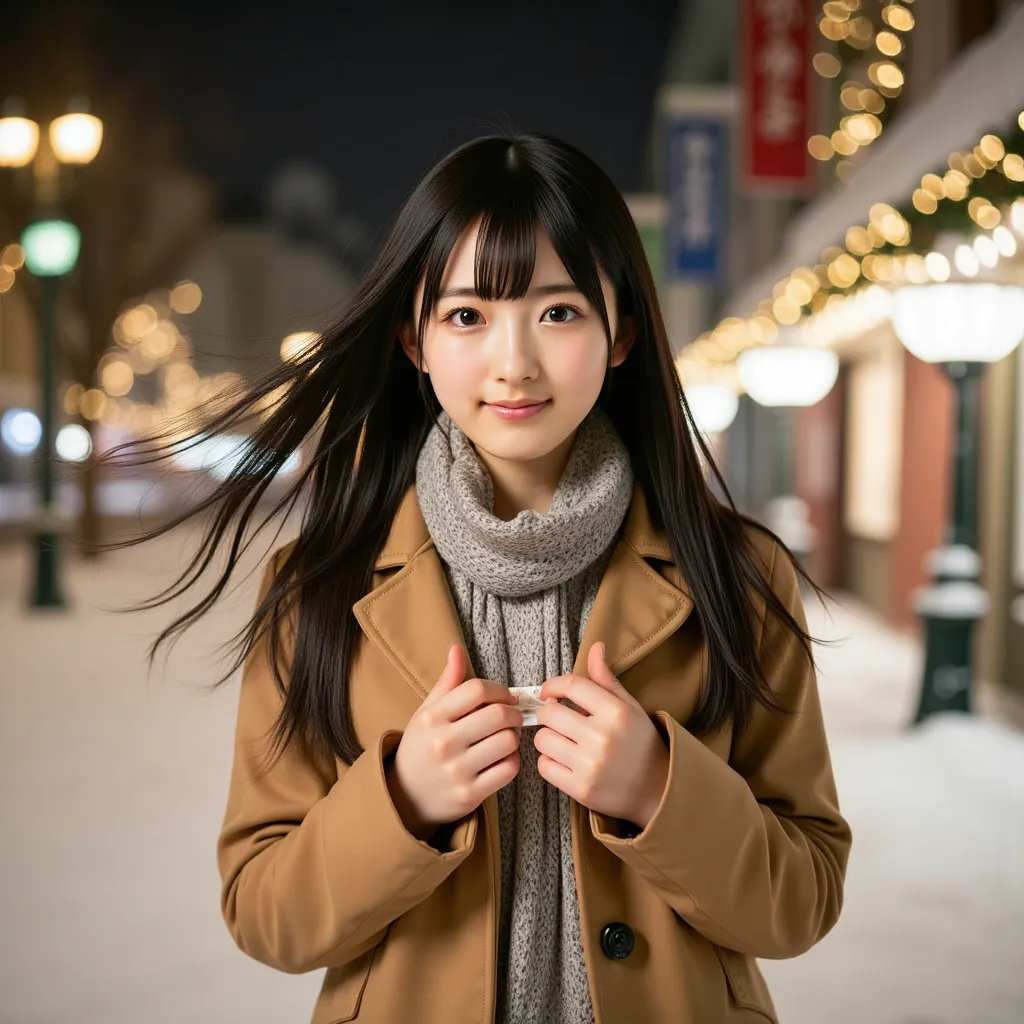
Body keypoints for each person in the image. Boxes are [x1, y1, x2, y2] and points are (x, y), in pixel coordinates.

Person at [105, 133, 851, 1023]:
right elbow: (268, 917)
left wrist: (662, 791)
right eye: (467, 316)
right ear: (413, 339)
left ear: (623, 333)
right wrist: (403, 800)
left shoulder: (735, 574)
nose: (514, 363)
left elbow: (803, 899)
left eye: (559, 312)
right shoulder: (316, 591)